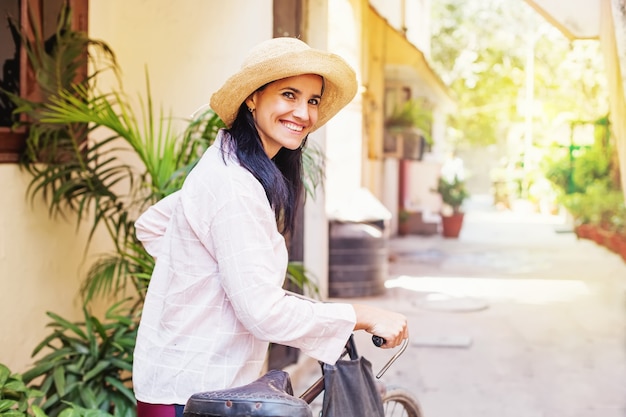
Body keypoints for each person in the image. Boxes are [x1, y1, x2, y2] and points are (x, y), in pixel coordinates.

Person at [132, 37, 409, 417]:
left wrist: (213, 276)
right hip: (192, 394)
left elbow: (153, 225)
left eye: (312, 100)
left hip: (197, 384)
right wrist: (360, 314)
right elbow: (262, 311)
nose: (303, 112)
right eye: (289, 95)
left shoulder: (231, 167)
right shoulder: (233, 185)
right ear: (252, 98)